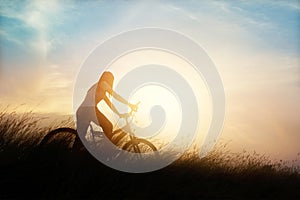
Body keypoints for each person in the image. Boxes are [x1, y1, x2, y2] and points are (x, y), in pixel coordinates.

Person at [76, 71, 138, 143]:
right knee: (108, 126)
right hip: (89, 110)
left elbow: (110, 104)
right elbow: (116, 96)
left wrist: (119, 114)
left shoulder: (100, 88)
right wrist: (130, 104)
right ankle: (106, 149)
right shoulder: (103, 84)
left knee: (80, 139)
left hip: (83, 111)